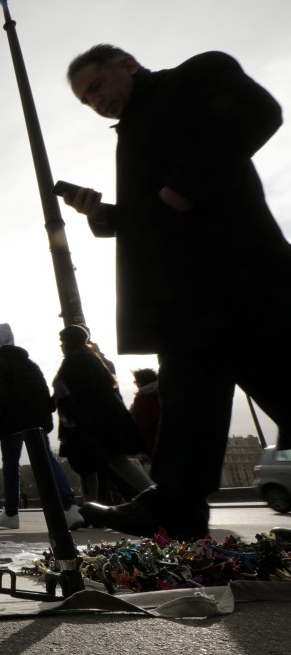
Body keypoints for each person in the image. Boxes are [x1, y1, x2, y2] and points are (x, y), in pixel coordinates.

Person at [61, 44, 291, 539]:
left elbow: (261, 111)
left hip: (241, 275)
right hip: (190, 295)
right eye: (86, 100)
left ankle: (177, 505)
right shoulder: (135, 127)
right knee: (189, 399)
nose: (96, 102)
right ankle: (177, 509)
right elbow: (157, 212)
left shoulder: (195, 74)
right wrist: (104, 215)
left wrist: (185, 185)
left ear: (126, 64)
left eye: (97, 86)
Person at [0, 323, 84, 531]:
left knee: (11, 464)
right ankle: (70, 506)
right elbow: (43, 392)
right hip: (36, 419)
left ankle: (11, 512)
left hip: (12, 421)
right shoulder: (30, 363)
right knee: (47, 459)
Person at [52, 326, 153, 505]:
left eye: (63, 341)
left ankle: (157, 499)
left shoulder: (75, 362)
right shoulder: (91, 359)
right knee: (116, 463)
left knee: (97, 465)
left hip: (97, 424)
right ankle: (155, 498)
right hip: (106, 421)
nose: (61, 345)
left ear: (70, 343)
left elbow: (76, 395)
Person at [129, 367, 161, 467]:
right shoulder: (165, 393)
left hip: (152, 445)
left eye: (135, 381)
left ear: (140, 382)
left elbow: (141, 425)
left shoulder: (142, 399)